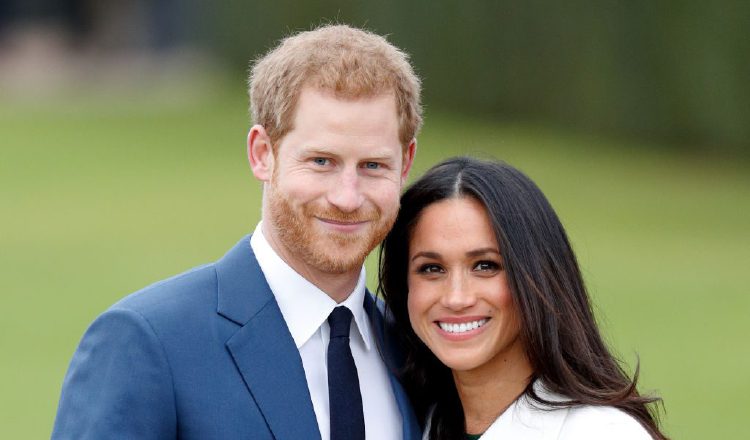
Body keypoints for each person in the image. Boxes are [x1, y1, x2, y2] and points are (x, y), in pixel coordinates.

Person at [52, 24, 422, 440]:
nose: (347, 197)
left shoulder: (417, 351)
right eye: (321, 161)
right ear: (263, 154)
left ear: (405, 164)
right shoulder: (147, 342)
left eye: (373, 165)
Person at [378, 157, 668, 440]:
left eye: (485, 266)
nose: (456, 297)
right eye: (432, 269)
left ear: (535, 276)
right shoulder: (409, 422)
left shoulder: (601, 432)